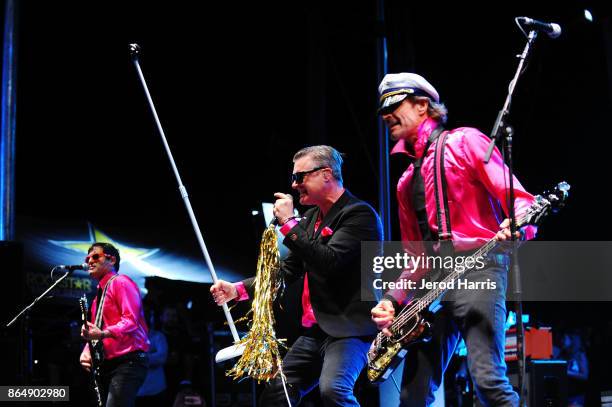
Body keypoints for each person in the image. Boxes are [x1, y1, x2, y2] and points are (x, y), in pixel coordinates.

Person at [370, 73, 537, 406]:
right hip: (432, 288)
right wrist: (391, 298)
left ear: (423, 106)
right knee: (412, 397)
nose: (386, 116)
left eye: (396, 105)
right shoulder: (405, 182)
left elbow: (521, 199)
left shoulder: (465, 142)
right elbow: (416, 258)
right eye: (383, 110)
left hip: (479, 270)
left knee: (488, 382)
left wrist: (517, 224)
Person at [211, 145, 383, 406]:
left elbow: (329, 261)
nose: (294, 185)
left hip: (349, 330)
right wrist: (239, 289)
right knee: (276, 394)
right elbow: (288, 270)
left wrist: (289, 224)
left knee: (333, 390)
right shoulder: (313, 216)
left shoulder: (359, 214)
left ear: (326, 174)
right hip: (315, 332)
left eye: (300, 177)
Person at [80, 242, 150, 407]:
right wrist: (87, 349)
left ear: (112, 260)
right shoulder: (99, 296)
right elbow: (97, 328)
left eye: (95, 256)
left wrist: (102, 334)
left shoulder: (121, 282)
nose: (89, 261)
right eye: (87, 257)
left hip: (129, 361)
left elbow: (130, 321)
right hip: (109, 363)